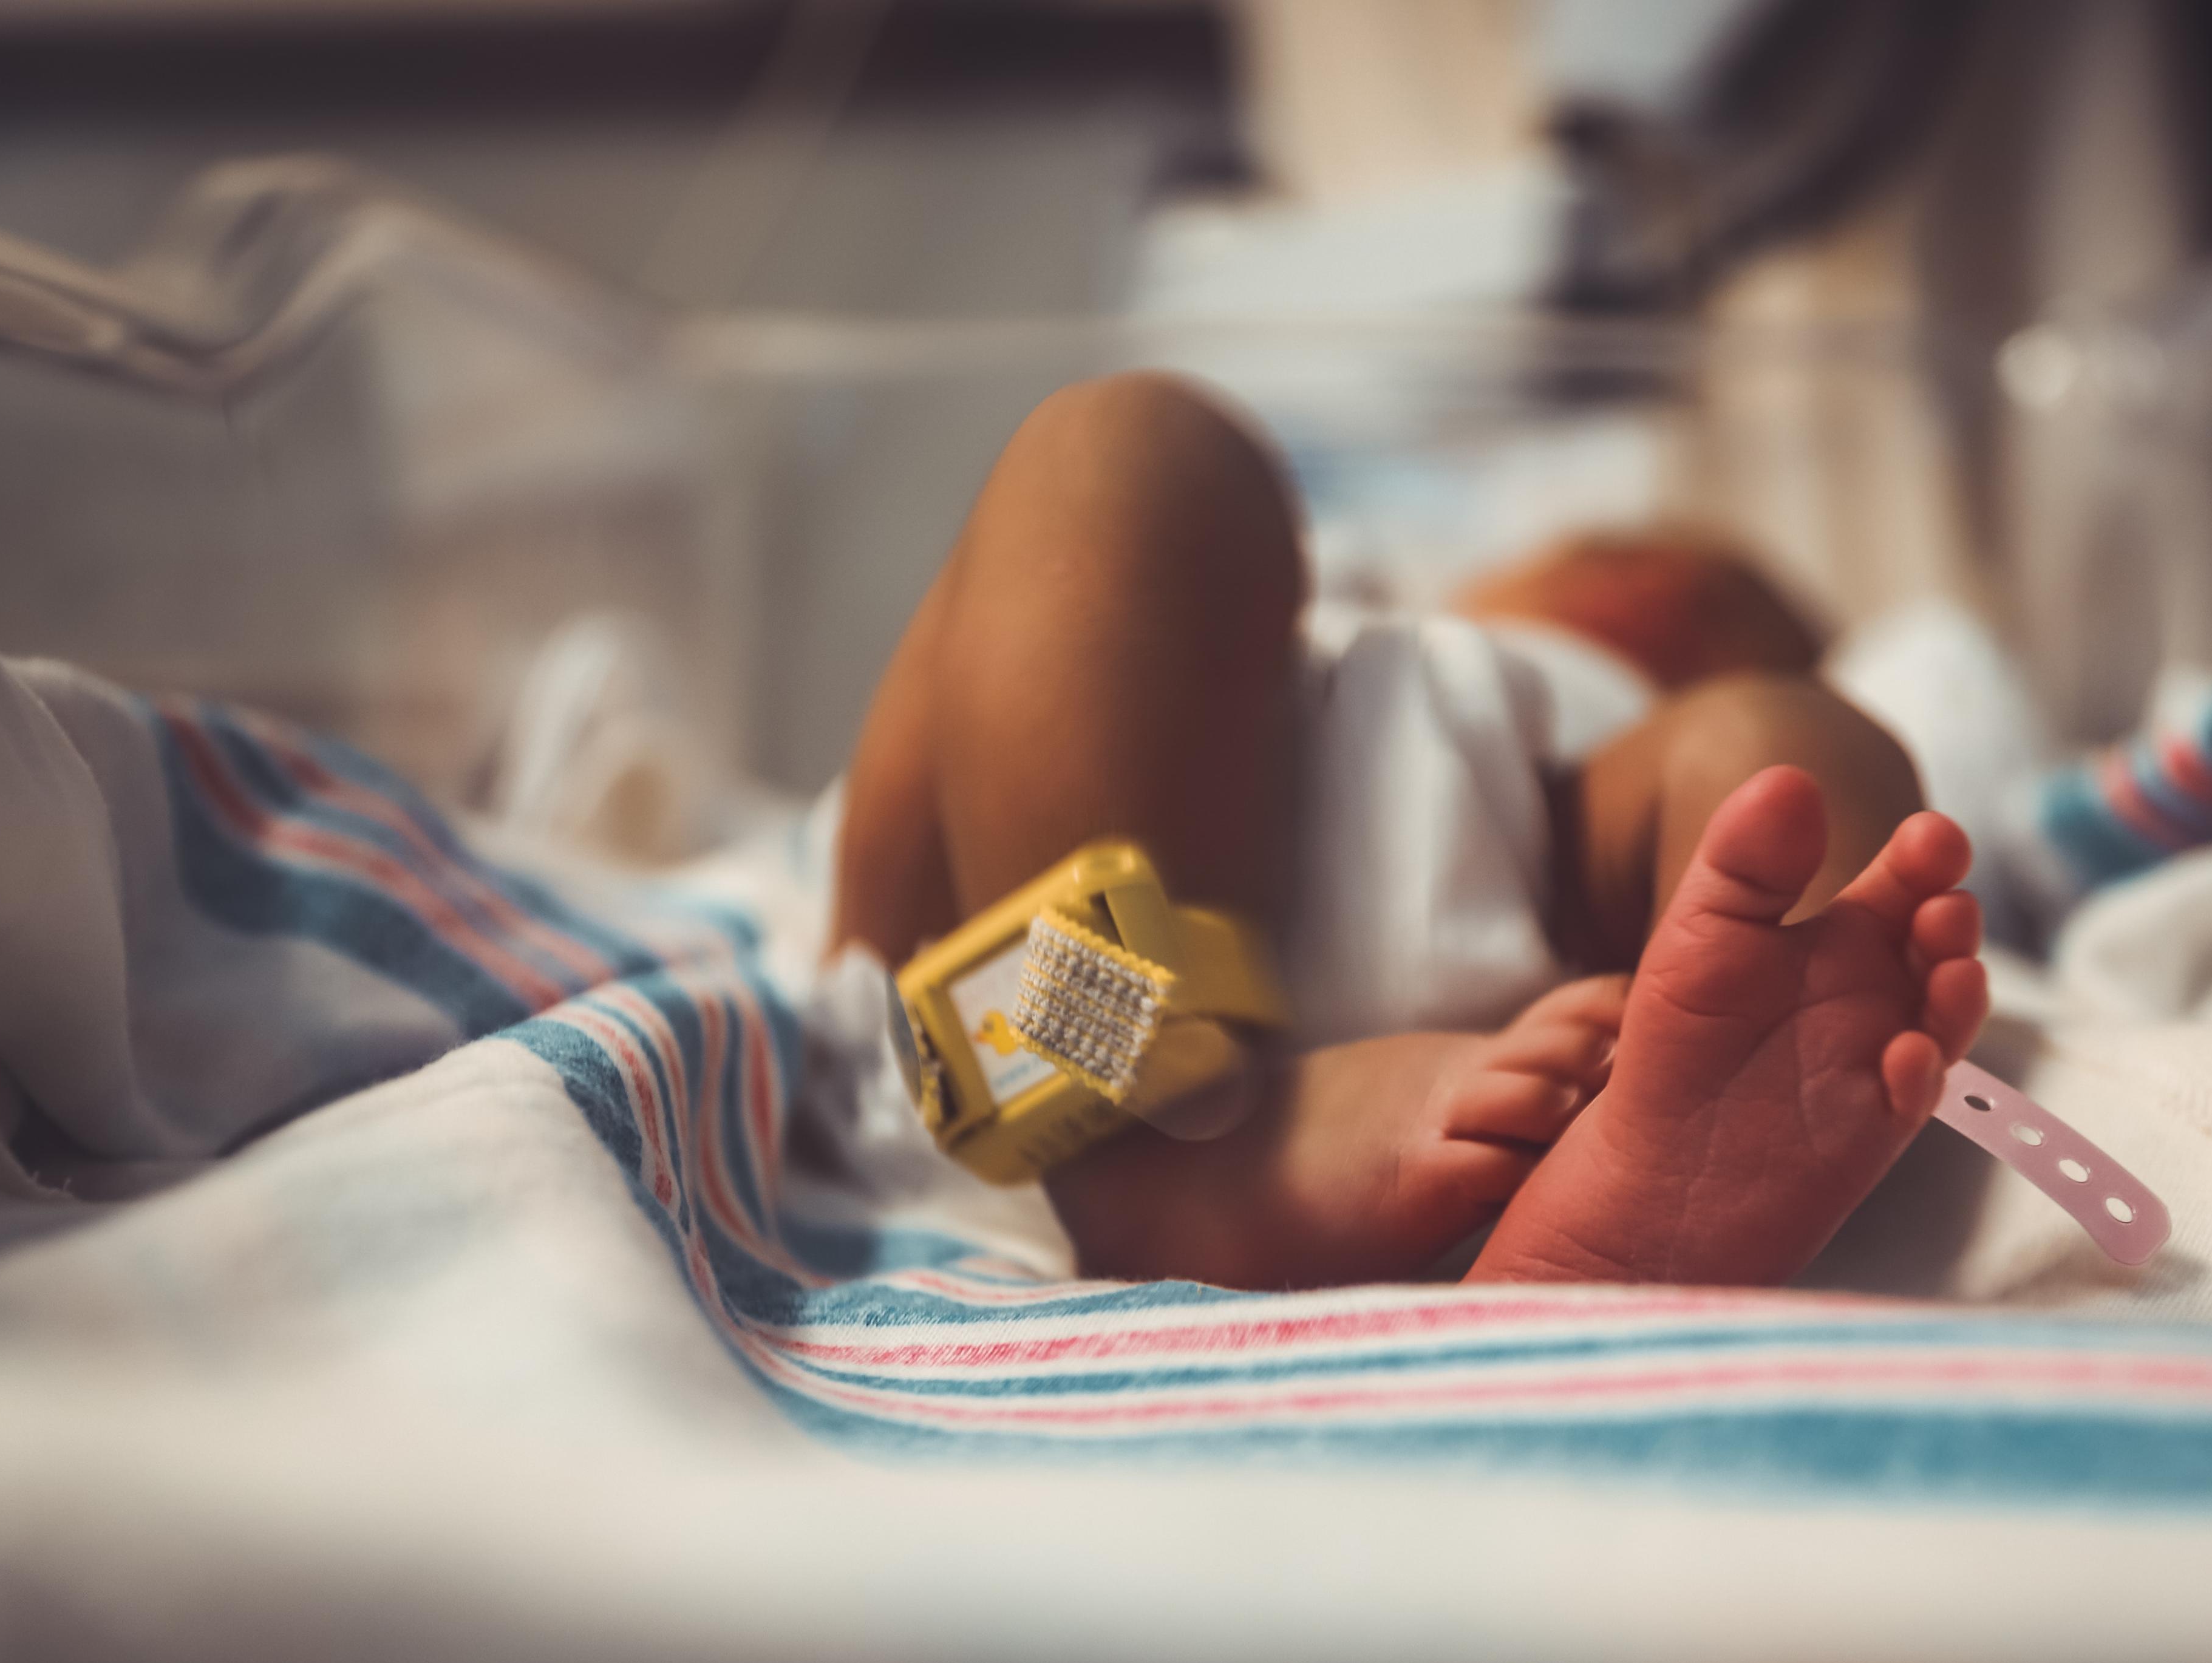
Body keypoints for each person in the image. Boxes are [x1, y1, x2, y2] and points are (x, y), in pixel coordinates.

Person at [830, 374, 1987, 1290]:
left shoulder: (1583, 712)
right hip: (999, 1006)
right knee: (1118, 468)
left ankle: (1725, 1098)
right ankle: (1125, 1132)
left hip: (1555, 1021)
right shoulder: (1350, 616)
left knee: (1776, 761)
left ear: (1632, 603)